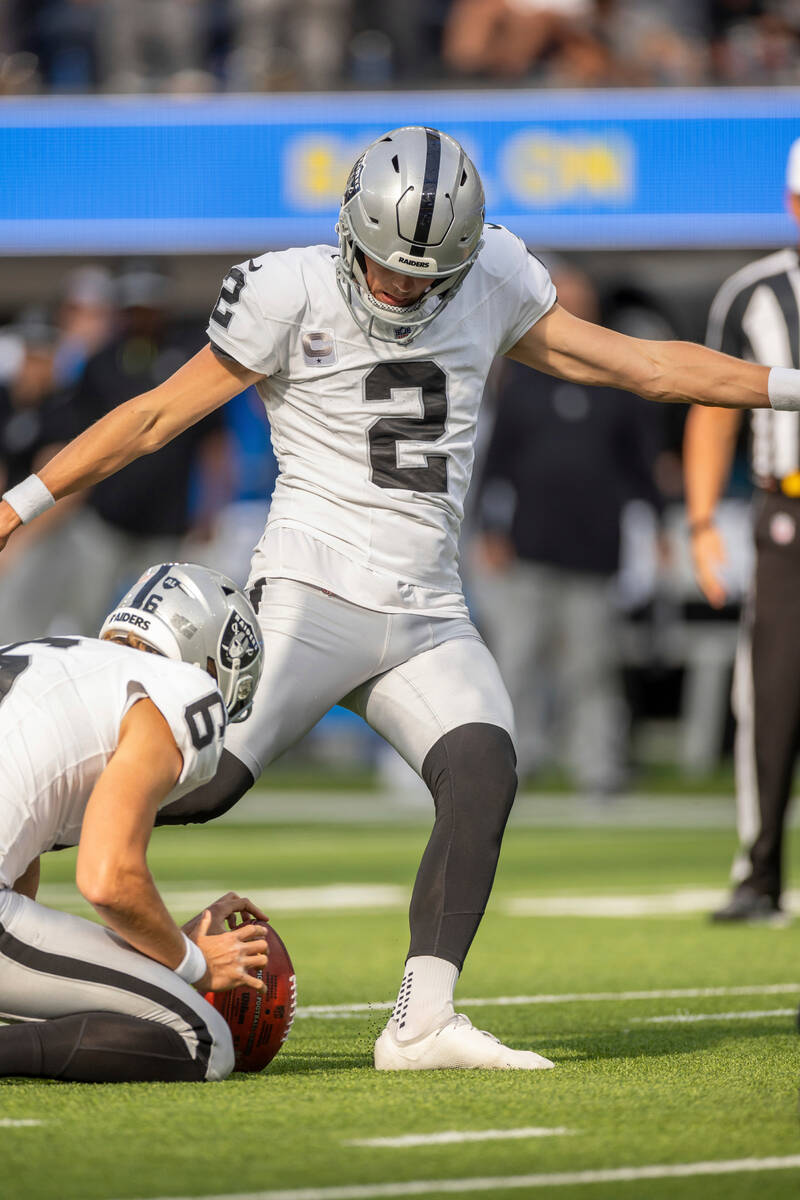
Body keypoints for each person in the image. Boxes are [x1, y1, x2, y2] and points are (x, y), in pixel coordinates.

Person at [0, 126, 793, 1072]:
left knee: (484, 766)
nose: (400, 289)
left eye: (425, 277)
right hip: (308, 590)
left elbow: (648, 367)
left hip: (427, 608)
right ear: (349, 230)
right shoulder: (287, 288)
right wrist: (20, 501)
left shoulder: (495, 273)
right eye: (383, 268)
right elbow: (157, 415)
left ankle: (423, 1019)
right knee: (196, 784)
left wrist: (789, 386)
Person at [0, 562, 266, 1083]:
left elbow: (21, 878)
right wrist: (190, 961)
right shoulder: (184, 689)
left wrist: (152, 947)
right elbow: (107, 879)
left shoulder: (50, 655)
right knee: (204, 1041)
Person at [472, 262, 663, 794]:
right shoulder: (523, 376)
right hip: (529, 546)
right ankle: (515, 763)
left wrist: (664, 529)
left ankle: (598, 768)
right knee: (518, 663)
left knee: (592, 668)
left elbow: (641, 467)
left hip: (595, 549)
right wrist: (490, 528)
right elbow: (496, 461)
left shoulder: (620, 378)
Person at [683, 137, 800, 925]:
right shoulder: (756, 293)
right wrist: (700, 522)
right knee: (773, 693)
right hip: (788, 513)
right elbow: (712, 410)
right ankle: (758, 872)